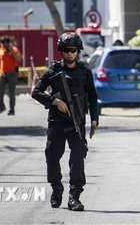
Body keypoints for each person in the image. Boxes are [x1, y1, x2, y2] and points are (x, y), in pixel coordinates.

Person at [31, 33, 99, 212]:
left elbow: (92, 97)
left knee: (78, 157)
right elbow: (36, 92)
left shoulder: (85, 72)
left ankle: (74, 196)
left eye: (73, 50)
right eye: (66, 50)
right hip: (57, 121)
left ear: (78, 51)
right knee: (52, 157)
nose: (69, 54)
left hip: (77, 121)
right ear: (61, 51)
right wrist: (55, 101)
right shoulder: (53, 71)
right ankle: (56, 187)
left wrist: (94, 120)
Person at [0, 35, 22, 115]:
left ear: (8, 43)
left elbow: (19, 59)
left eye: (5, 43)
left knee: (11, 92)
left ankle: (12, 109)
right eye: (2, 43)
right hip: (2, 73)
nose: (3, 45)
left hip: (12, 73)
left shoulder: (14, 49)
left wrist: (12, 51)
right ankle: (1, 106)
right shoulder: (1, 50)